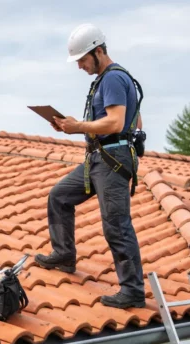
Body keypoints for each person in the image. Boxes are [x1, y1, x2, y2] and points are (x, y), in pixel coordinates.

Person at [34, 23, 146, 309]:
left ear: (98, 51)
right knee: (59, 196)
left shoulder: (112, 78)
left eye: (83, 60)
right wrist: (71, 126)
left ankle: (132, 290)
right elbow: (135, 118)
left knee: (116, 225)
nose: (80, 66)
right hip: (97, 157)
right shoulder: (107, 81)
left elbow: (117, 122)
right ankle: (64, 254)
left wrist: (77, 127)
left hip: (111, 159)